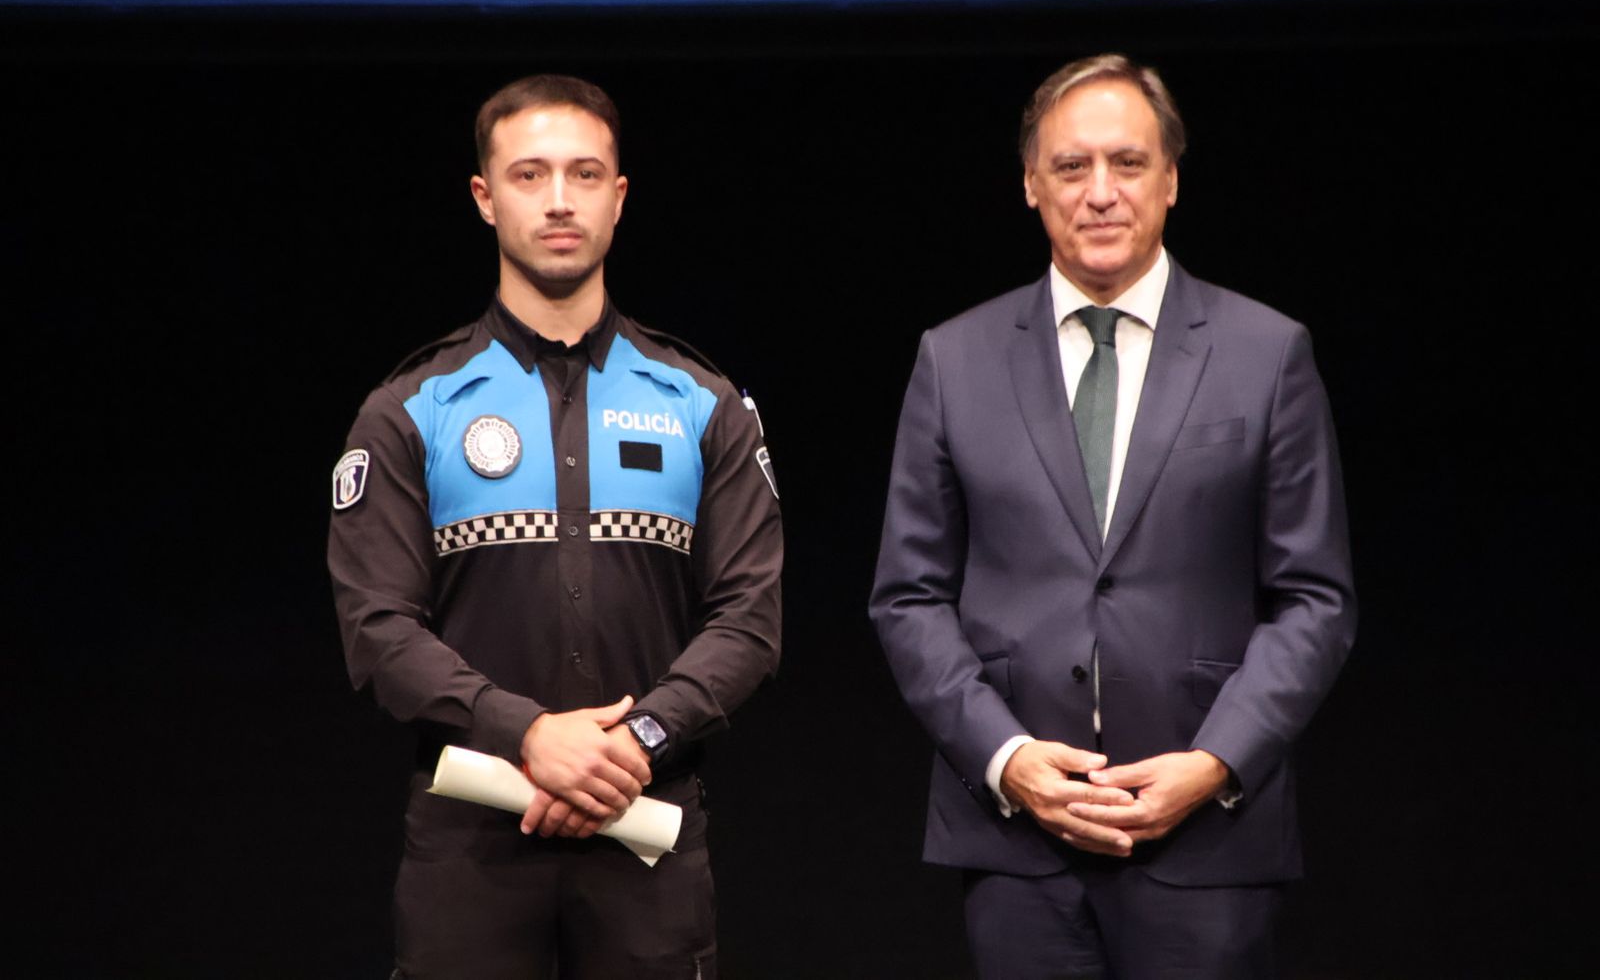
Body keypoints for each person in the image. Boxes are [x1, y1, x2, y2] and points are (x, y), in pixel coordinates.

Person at [868, 54, 1355, 978]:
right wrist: (1006, 757)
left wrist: (1215, 762)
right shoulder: (953, 357)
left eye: (1127, 164)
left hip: (1209, 838)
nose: (1100, 192)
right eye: (1070, 166)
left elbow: (1316, 599)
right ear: (1029, 183)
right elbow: (907, 598)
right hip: (1016, 841)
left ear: (1171, 179)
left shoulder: (1267, 352)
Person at [328, 74, 781, 980]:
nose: (561, 200)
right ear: (485, 199)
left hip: (647, 833)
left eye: (585, 174)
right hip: (470, 844)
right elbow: (377, 631)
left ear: (619, 198)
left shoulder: (703, 402)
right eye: (531, 176)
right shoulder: (409, 408)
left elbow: (750, 621)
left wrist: (636, 741)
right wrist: (530, 734)